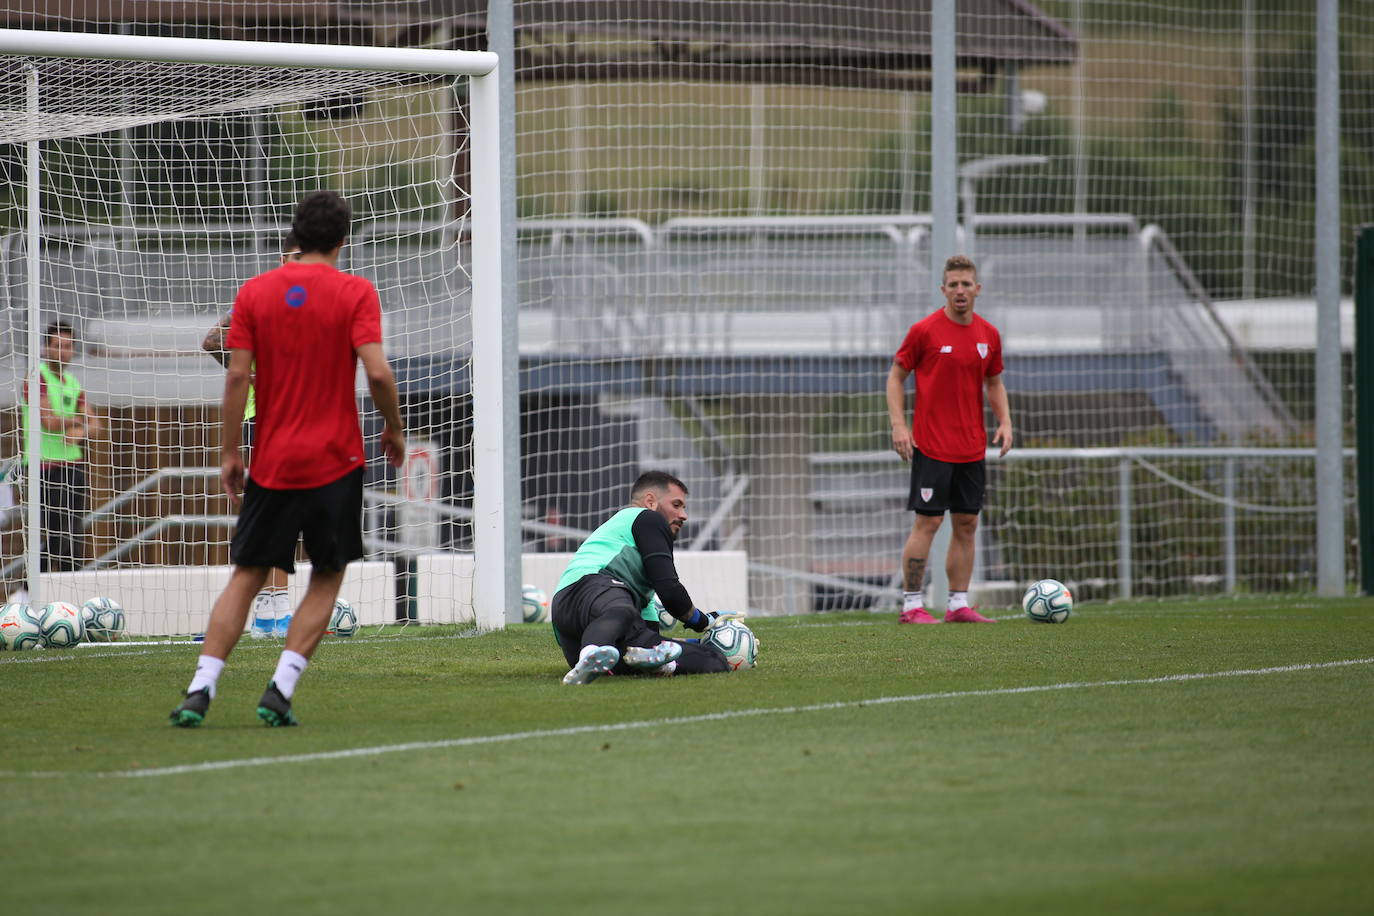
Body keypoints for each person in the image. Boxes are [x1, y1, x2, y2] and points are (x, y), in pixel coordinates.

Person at [170, 190, 406, 727]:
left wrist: (230, 452)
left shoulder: (255, 293)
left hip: (272, 457)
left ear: (295, 236)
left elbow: (234, 374)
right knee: (327, 574)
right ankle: (280, 688)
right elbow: (378, 373)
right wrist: (393, 430)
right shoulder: (355, 293)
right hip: (337, 460)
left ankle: (199, 690)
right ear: (343, 240)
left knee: (246, 575)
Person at [886, 254, 1012, 624]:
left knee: (967, 525)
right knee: (928, 523)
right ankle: (911, 605)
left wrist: (1005, 421)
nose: (960, 290)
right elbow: (896, 377)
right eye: (953, 285)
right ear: (943, 290)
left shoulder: (988, 335)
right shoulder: (924, 331)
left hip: (971, 448)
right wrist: (899, 425)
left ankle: (958, 604)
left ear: (977, 289)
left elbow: (994, 382)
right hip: (932, 446)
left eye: (966, 284)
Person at [201, 235, 303, 639]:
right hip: (262, 418)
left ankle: (277, 607)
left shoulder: (312, 303)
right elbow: (211, 341)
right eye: (294, 256)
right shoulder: (261, 297)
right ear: (282, 258)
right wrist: (253, 372)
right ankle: (266, 611)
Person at [551, 470, 733, 684]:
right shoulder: (646, 518)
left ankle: (657, 664)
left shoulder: (638, 586)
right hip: (586, 590)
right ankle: (593, 651)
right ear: (650, 501)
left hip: (576, 636)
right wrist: (704, 621)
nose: (684, 515)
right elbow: (671, 592)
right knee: (622, 610)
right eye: (676, 505)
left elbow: (652, 635)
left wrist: (707, 642)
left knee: (714, 661)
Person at [21, 320, 103, 572]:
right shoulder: (37, 379)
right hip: (45, 466)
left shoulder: (72, 383)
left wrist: (80, 431)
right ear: (46, 348)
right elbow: (49, 421)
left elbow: (96, 425)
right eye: (58, 345)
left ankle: (71, 585)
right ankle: (29, 584)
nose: (63, 351)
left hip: (73, 465)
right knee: (57, 534)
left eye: (68, 346)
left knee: (75, 534)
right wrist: (76, 421)